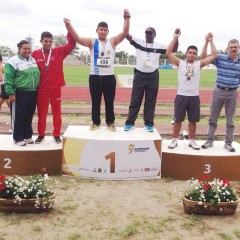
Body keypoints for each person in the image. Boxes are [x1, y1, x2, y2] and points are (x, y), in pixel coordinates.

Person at [64, 9, 130, 131]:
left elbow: (125, 33)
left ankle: (110, 123)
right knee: (95, 101)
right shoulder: (91, 42)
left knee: (109, 102)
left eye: (105, 30)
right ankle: (96, 123)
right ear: (97, 31)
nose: (103, 31)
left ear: (108, 31)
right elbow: (77, 38)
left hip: (109, 77)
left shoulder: (113, 41)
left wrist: (127, 18)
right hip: (94, 76)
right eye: (101, 29)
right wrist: (69, 26)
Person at [166, 30, 217, 150]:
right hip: (181, 96)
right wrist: (175, 38)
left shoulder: (199, 64)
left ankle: (192, 140)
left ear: (196, 55)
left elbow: (214, 55)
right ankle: (174, 139)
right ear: (186, 53)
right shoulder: (180, 63)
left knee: (193, 121)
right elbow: (168, 52)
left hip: (194, 96)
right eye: (190, 53)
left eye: (194, 53)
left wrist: (210, 41)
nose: (192, 55)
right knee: (178, 119)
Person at [124, 27, 178, 132]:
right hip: (139, 75)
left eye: (150, 33)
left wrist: (176, 38)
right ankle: (130, 123)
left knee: (150, 101)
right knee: (135, 100)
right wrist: (126, 20)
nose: (148, 35)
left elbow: (173, 50)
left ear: (154, 35)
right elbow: (126, 35)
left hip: (152, 76)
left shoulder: (159, 46)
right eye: (147, 33)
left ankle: (148, 124)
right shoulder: (139, 42)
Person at [31, 26, 76, 144]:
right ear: (41, 41)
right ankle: (41, 134)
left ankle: (56, 134)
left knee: (57, 112)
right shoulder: (34, 54)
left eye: (50, 41)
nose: (48, 43)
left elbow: (71, 44)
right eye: (46, 41)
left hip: (55, 88)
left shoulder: (58, 51)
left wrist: (68, 29)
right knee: (42, 113)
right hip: (41, 89)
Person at [201, 38, 240, 152]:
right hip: (219, 91)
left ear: (238, 48)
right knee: (213, 118)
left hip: (233, 93)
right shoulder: (220, 58)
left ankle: (228, 143)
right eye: (231, 47)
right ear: (228, 48)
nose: (233, 49)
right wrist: (208, 42)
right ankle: (209, 140)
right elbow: (203, 57)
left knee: (230, 120)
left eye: (235, 47)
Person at [4, 40, 40, 146]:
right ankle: (17, 137)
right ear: (19, 49)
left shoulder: (33, 60)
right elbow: (7, 77)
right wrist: (10, 92)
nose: (27, 50)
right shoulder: (13, 61)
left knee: (29, 115)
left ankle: (27, 135)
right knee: (18, 116)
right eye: (25, 48)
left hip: (32, 92)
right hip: (19, 92)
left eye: (29, 48)